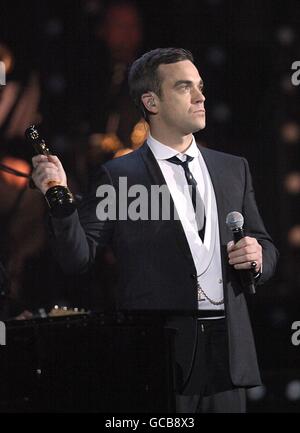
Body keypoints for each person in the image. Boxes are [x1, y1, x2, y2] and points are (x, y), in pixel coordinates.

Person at [31, 48, 278, 413]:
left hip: (228, 353)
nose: (200, 97)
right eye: (184, 87)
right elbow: (77, 258)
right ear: (151, 101)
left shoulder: (232, 169)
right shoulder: (119, 177)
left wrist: (258, 256)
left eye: (200, 86)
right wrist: (59, 198)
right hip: (160, 354)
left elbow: (267, 248)